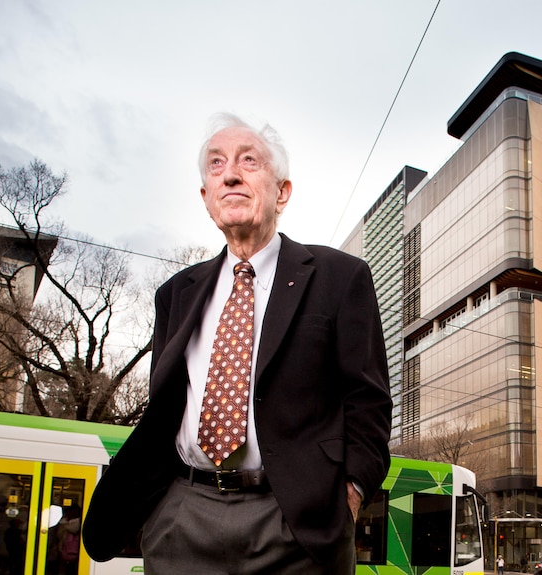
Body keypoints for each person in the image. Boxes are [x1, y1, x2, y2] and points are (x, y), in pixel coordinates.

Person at [82, 112, 392, 574]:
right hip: (183, 515)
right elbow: (164, 408)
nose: (230, 173)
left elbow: (367, 401)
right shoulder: (176, 293)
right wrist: (161, 511)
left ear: (282, 191)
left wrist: (349, 494)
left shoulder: (339, 277)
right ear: (207, 198)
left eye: (249, 161)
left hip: (294, 524)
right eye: (216, 165)